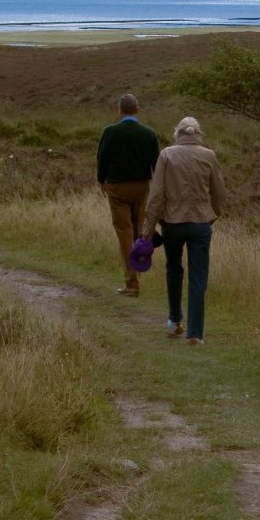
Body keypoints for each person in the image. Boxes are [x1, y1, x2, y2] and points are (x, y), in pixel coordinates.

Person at [141, 116, 226, 344]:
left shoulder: (167, 154)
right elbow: (219, 191)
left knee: (174, 269)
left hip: (172, 224)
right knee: (198, 277)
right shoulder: (209, 155)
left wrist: (148, 228)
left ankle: (175, 320)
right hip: (200, 223)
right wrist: (214, 214)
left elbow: (156, 194)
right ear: (198, 133)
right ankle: (196, 334)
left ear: (177, 133)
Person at [96, 93, 160, 297]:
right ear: (137, 109)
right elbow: (156, 165)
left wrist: (102, 181)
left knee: (124, 232)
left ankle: (132, 283)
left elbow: (102, 159)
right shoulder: (149, 134)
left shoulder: (110, 132)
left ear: (119, 110)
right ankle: (138, 275)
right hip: (142, 187)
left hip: (117, 188)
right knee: (139, 232)